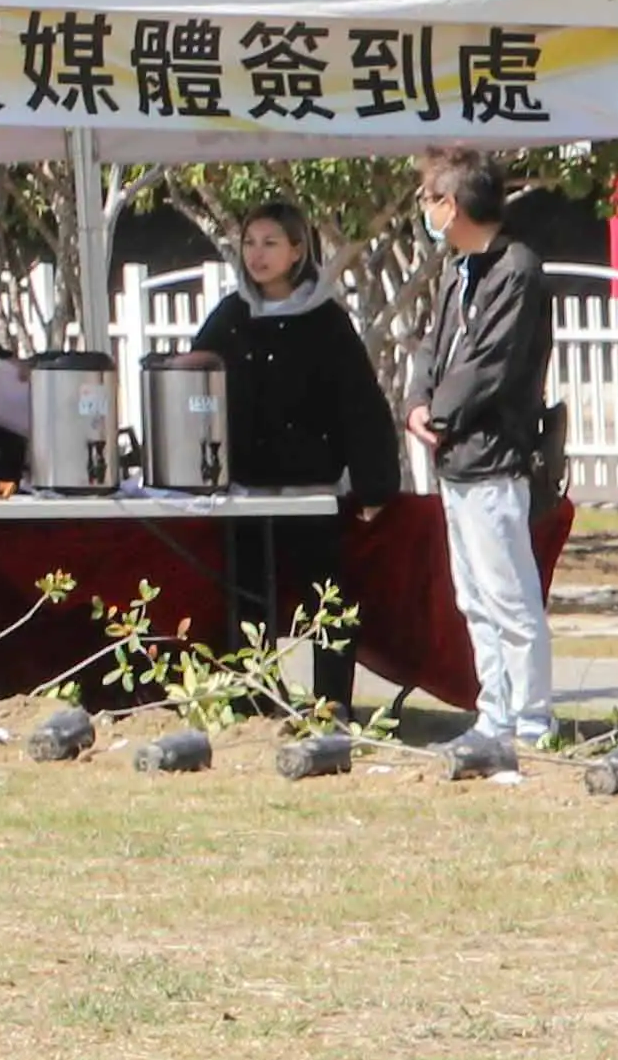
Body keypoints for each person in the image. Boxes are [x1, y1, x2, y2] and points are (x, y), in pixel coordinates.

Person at [191, 196, 400, 708]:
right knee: (246, 598)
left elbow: (360, 402)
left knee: (325, 600)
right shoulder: (231, 315)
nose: (257, 255)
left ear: (297, 250)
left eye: (270, 244)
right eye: (249, 243)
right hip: (245, 487)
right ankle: (254, 695)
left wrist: (375, 484)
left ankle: (332, 703)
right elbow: (194, 376)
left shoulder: (325, 320)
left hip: (312, 488)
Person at [403, 146, 556, 771]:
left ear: (457, 204)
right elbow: (434, 350)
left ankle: (532, 718)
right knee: (473, 597)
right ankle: (495, 712)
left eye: (430, 199)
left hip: (495, 455)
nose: (425, 211)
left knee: (509, 594)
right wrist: (416, 401)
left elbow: (489, 365)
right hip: (456, 461)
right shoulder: (459, 270)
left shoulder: (516, 270)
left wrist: (441, 412)